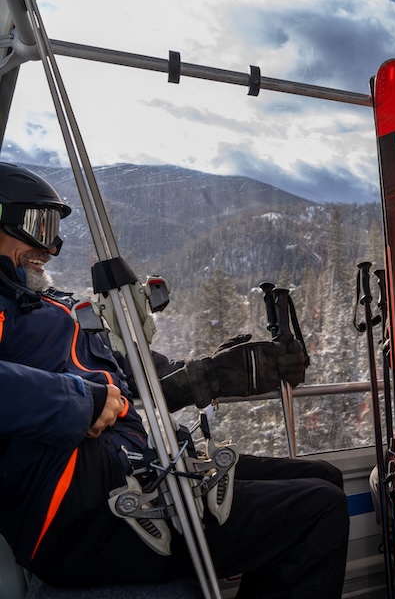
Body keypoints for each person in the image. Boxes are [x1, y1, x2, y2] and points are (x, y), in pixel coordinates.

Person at [0, 162, 349, 598]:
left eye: (53, 230)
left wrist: (217, 373)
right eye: (37, 225)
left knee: (323, 476)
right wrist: (78, 402)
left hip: (138, 472)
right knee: (318, 511)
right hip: (79, 515)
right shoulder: (7, 308)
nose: (50, 248)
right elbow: (79, 394)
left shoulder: (50, 307)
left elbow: (137, 375)